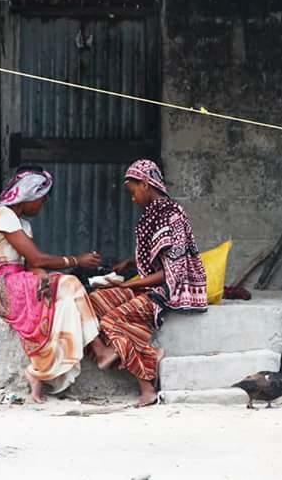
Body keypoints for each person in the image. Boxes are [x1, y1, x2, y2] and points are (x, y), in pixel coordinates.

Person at [0, 166, 119, 403]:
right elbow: (38, 257)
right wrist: (76, 260)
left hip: (17, 280)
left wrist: (40, 275)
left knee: (63, 304)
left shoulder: (22, 224)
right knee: (69, 284)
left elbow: (33, 264)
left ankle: (38, 374)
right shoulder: (3, 216)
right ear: (29, 196)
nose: (44, 204)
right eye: (42, 198)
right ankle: (99, 351)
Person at [89, 159, 208, 407]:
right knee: (94, 302)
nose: (132, 199)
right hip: (150, 285)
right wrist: (130, 264)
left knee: (113, 320)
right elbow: (156, 256)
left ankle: (147, 383)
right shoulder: (153, 213)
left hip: (171, 291)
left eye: (133, 192)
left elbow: (170, 272)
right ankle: (112, 351)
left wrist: (128, 285)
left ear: (144, 184)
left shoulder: (171, 216)